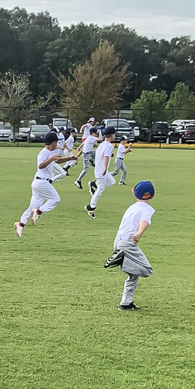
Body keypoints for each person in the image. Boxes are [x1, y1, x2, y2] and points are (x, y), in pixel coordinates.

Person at [13, 131, 78, 239]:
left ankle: (20, 224)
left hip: (38, 183)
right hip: (41, 182)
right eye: (56, 143)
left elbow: (57, 161)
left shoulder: (49, 153)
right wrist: (51, 159)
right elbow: (41, 165)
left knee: (32, 207)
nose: (57, 146)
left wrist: (70, 158)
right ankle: (39, 211)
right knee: (55, 199)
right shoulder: (44, 152)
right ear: (52, 143)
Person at [104, 181, 155, 311]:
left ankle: (126, 303)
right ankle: (121, 258)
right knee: (146, 270)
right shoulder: (148, 209)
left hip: (118, 241)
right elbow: (145, 221)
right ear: (152, 196)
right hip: (128, 243)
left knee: (133, 275)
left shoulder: (132, 207)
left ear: (134, 195)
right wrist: (139, 233)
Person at [85, 126, 116, 219]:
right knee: (100, 190)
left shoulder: (102, 145)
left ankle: (94, 184)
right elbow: (106, 156)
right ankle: (90, 207)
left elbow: (102, 155)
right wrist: (105, 168)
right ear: (111, 135)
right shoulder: (109, 146)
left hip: (99, 170)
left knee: (112, 182)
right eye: (114, 134)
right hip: (102, 171)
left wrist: (110, 155)